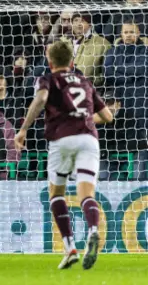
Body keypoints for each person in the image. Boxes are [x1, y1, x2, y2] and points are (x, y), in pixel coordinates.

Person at [14, 40, 114, 270]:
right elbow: (107, 116)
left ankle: (70, 247)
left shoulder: (48, 79)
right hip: (89, 139)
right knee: (86, 193)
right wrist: (86, 119)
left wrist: (24, 129)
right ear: (72, 61)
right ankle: (93, 230)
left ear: (49, 61)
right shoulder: (85, 81)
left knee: (56, 192)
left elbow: (40, 99)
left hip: (62, 138)